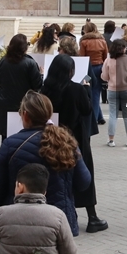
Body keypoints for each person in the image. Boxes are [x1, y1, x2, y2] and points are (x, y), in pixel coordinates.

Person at [0, 92, 91, 237]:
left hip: (19, 220)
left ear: (25, 115)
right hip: (60, 220)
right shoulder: (66, 141)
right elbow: (84, 182)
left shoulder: (11, 145)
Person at [41, 55, 104, 233]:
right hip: (75, 138)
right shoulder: (76, 89)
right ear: (70, 71)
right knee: (84, 174)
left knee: (57, 176)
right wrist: (86, 90)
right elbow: (86, 109)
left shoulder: (45, 90)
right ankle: (92, 216)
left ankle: (63, 214)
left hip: (52, 137)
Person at [0, 34, 42, 140]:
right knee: (23, 138)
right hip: (24, 106)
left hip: (5, 105)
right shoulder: (30, 63)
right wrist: (41, 74)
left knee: (6, 139)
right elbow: (37, 85)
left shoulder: (3, 61)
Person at [102, 39, 127, 146]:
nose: (126, 48)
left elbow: (104, 76)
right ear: (122, 49)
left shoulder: (108, 60)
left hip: (112, 89)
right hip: (126, 89)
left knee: (113, 115)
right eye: (125, 47)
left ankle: (111, 139)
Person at [78, 23, 109, 126]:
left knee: (89, 92)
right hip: (99, 68)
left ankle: (93, 119)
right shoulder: (102, 41)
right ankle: (99, 117)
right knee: (96, 92)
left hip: (88, 69)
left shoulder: (84, 41)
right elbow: (105, 57)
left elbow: (81, 57)